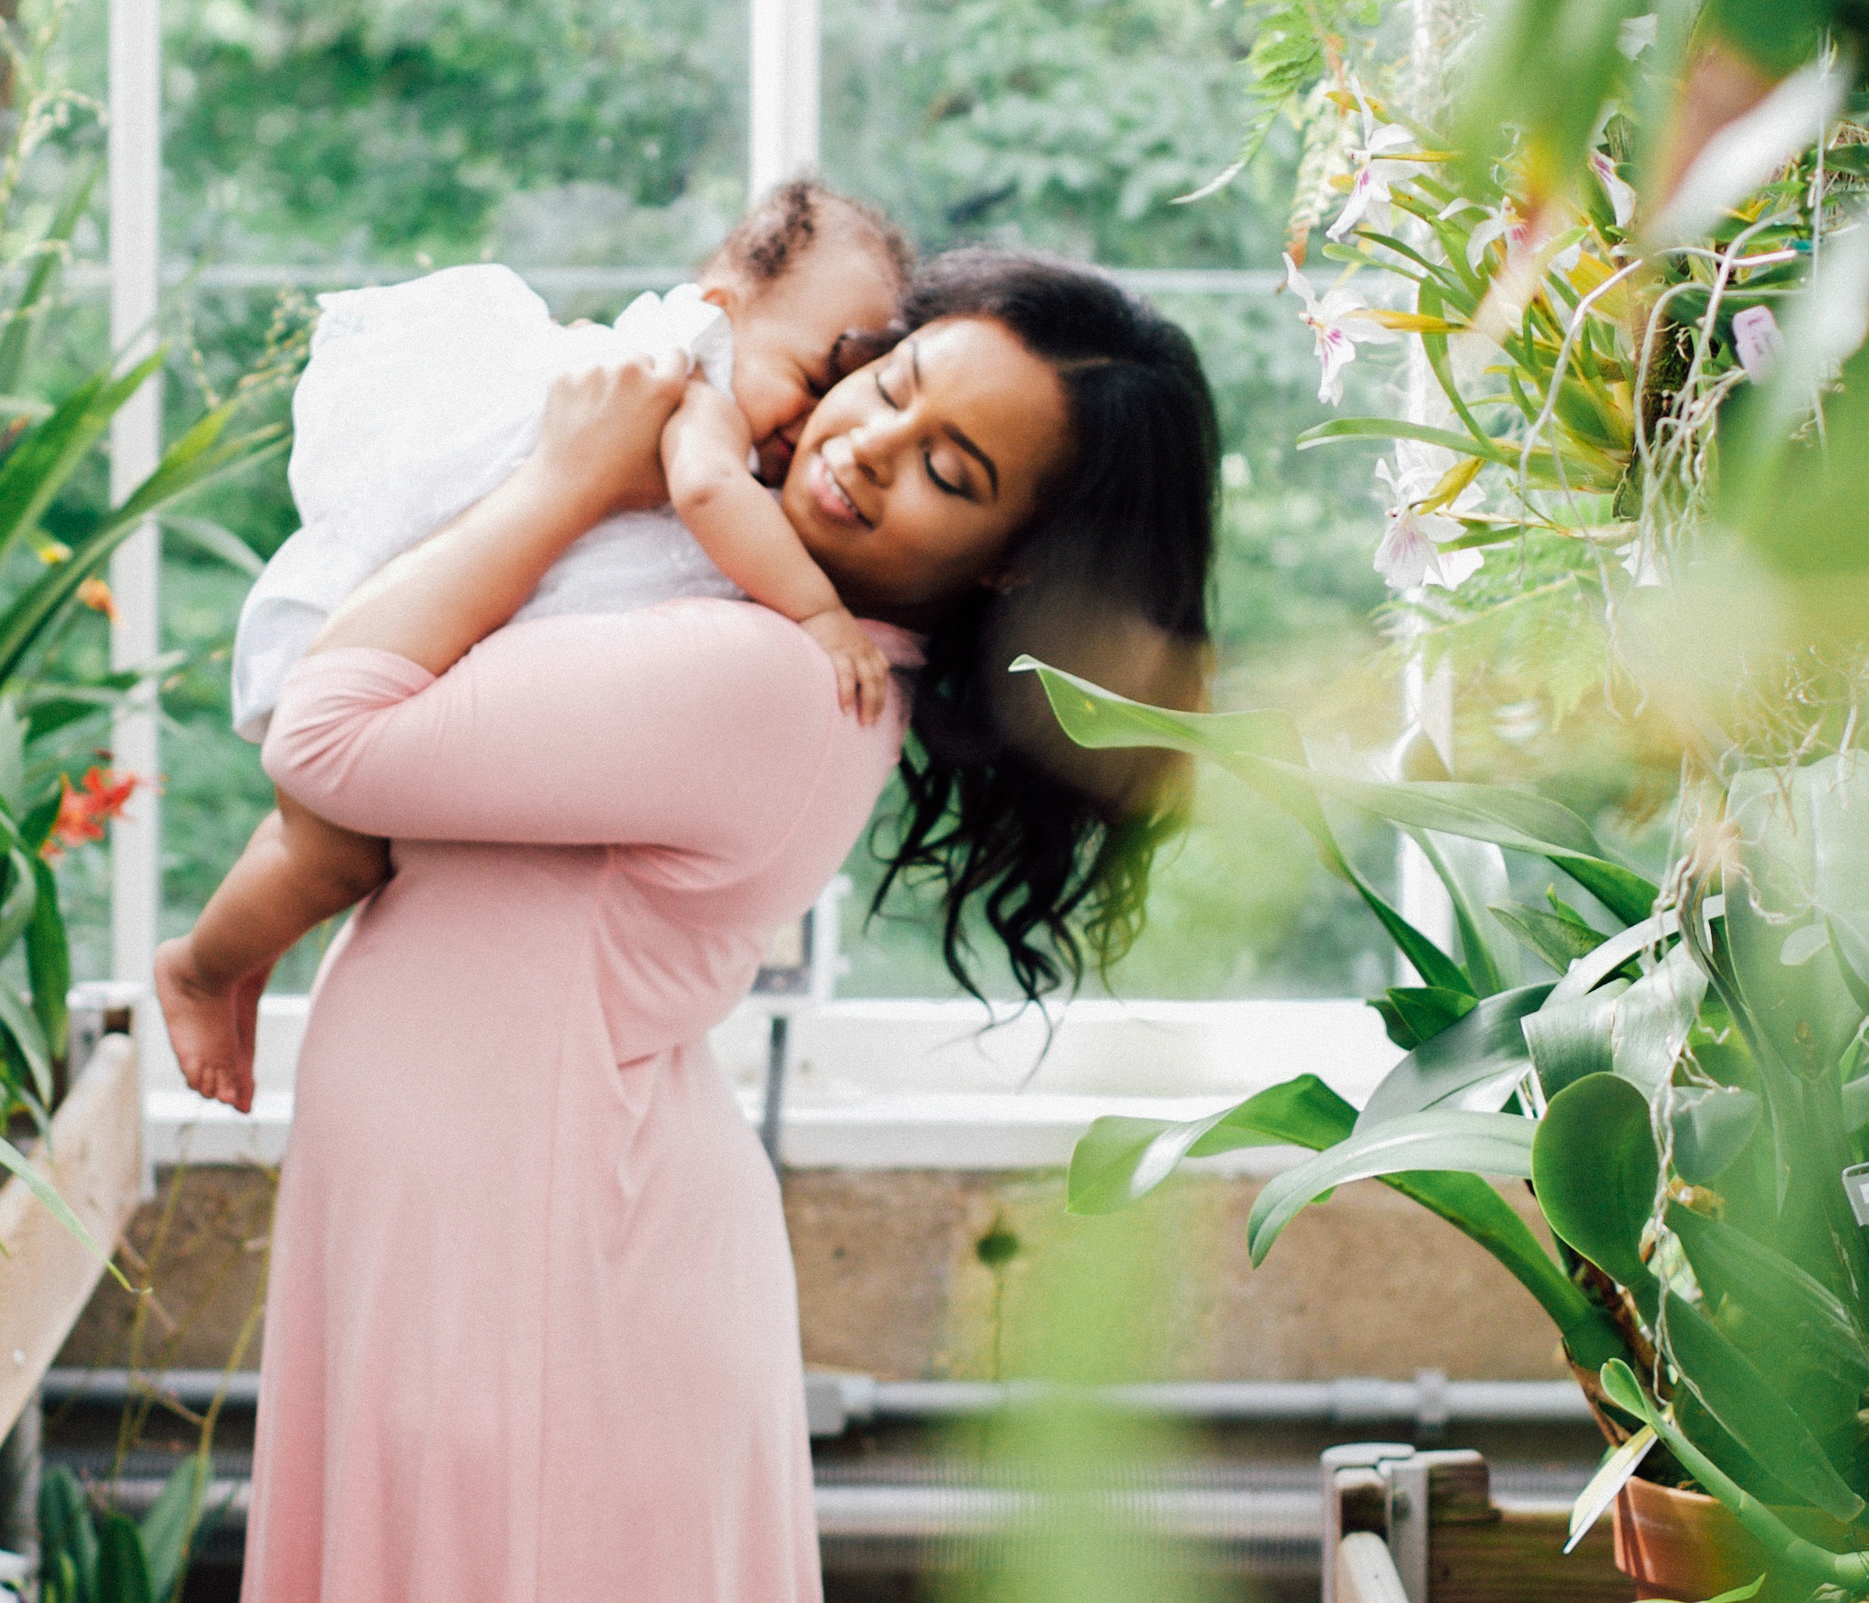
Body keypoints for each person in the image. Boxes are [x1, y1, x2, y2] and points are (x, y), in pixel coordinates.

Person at [171, 249, 1218, 1603]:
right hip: (504, 1234)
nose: (865, 448)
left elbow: (323, 728)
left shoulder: (778, 679)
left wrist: (567, 476)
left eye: (951, 473)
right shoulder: (745, 611)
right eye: (892, 385)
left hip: (538, 1267)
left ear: (1017, 562)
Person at [168, 182, 914, 1112]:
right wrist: (818, 617)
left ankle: (232, 966)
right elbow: (712, 495)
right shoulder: (690, 386)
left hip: (422, 626)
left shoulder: (715, 389)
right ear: (724, 309)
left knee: (319, 849)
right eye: (810, 381)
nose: (812, 424)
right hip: (367, 619)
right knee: (334, 860)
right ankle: (202, 971)